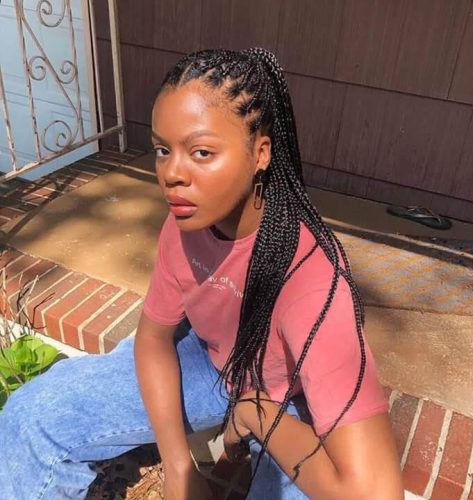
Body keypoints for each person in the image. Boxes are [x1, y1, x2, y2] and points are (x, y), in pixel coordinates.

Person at [0, 48, 403, 499]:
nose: (172, 174)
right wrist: (178, 466)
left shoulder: (312, 281)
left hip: (293, 401)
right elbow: (154, 339)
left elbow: (373, 492)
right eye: (162, 150)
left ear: (260, 153)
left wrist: (256, 412)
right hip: (212, 365)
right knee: (32, 417)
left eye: (201, 152)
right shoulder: (184, 225)